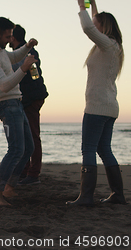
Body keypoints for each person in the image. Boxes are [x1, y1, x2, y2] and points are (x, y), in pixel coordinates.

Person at [67, 0, 126, 206]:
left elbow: (88, 27)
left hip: (98, 106)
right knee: (104, 149)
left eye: (96, 22)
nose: (93, 24)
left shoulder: (107, 44)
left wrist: (81, 7)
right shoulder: (112, 46)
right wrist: (93, 4)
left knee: (89, 148)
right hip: (109, 107)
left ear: (103, 27)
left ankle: (86, 197)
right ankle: (117, 195)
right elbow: (94, 23)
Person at [0, 17, 38, 206]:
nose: (10, 40)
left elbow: (11, 58)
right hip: (6, 105)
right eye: (7, 36)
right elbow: (3, 85)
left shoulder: (0, 51)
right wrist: (23, 69)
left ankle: (9, 187)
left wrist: (27, 46)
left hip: (15, 103)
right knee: (16, 149)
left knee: (28, 147)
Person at [9, 25, 49, 185]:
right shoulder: (22, 52)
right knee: (26, 136)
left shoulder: (28, 53)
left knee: (32, 136)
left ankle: (33, 174)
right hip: (29, 98)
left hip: (31, 99)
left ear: (13, 37)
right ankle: (25, 171)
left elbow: (33, 76)